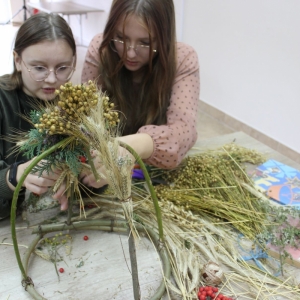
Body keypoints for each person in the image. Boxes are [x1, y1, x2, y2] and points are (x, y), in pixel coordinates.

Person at [80, 0, 200, 189]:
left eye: (145, 43)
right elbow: (86, 117)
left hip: (155, 172)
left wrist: (133, 146)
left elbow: (184, 131)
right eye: (120, 38)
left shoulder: (182, 58)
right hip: (104, 169)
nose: (130, 53)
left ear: (164, 38)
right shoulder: (102, 48)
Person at [0, 13, 77, 219]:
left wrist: (91, 177)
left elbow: (88, 186)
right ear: (18, 60)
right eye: (39, 68)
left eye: (62, 68)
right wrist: (14, 176)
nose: (52, 79)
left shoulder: (72, 105)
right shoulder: (3, 102)